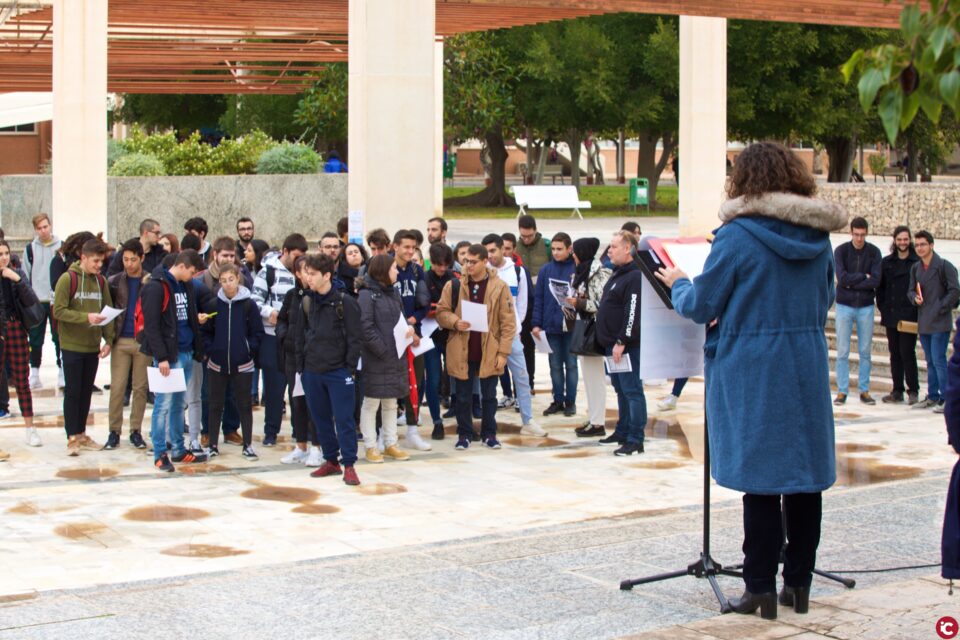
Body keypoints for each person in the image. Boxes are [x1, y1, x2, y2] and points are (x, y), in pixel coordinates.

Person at [656, 141, 845, 619]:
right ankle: (798, 586)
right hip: (804, 361)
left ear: (745, 183)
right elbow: (826, 298)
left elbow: (701, 304)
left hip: (754, 366)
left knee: (761, 482)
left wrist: (678, 280)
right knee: (803, 481)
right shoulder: (818, 237)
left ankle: (759, 587)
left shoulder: (738, 236)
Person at [437, 243, 516, 451]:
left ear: (484, 262)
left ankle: (489, 433)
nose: (468, 265)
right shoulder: (454, 285)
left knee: (489, 396)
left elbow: (508, 324)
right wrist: (455, 321)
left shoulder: (500, 287)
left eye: (473, 262)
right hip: (462, 348)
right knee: (462, 397)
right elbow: (441, 312)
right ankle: (464, 434)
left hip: (488, 350)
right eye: (466, 261)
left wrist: (503, 352)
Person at [295, 253, 362, 486]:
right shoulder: (307, 300)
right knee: (320, 418)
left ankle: (350, 464)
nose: (308, 278)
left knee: (344, 419)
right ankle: (331, 460)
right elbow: (301, 334)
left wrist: (349, 370)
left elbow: (356, 339)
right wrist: (302, 367)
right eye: (307, 273)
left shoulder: (346, 302)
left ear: (327, 275)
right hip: (312, 371)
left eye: (312, 274)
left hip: (338, 372)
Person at [140, 249, 209, 472]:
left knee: (181, 403)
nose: (193, 276)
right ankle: (160, 453)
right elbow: (151, 326)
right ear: (181, 266)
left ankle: (179, 449)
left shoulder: (186, 285)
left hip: (187, 351)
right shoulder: (156, 286)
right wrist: (161, 357)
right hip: (169, 356)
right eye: (191, 271)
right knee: (163, 405)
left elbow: (187, 315)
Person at [52, 238, 115, 456]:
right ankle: (72, 437)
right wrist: (85, 317)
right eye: (96, 261)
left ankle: (81, 433)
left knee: (86, 392)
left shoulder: (101, 282)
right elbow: (58, 311)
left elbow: (107, 311)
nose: (99, 265)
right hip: (71, 345)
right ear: (83, 258)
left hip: (92, 346)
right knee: (73, 391)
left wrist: (109, 340)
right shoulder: (66, 279)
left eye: (102, 261)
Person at [482, 233, 546, 437]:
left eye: (493, 250)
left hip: (512, 335)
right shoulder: (483, 272)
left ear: (503, 249)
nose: (490, 255)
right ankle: (487, 423)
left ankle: (528, 420)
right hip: (489, 336)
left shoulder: (517, 272)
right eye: (487, 252)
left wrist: (515, 328)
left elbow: (522, 304)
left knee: (522, 377)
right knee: (487, 380)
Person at [358, 254, 418, 463]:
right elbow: (365, 328)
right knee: (371, 403)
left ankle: (390, 443)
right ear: (383, 271)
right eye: (394, 268)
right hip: (377, 358)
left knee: (391, 402)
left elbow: (400, 319)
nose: (398, 271)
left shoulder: (393, 293)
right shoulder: (366, 295)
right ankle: (370, 446)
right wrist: (382, 350)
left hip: (396, 356)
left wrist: (409, 330)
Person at [201, 262, 263, 459]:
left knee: (244, 404)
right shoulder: (213, 305)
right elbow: (206, 332)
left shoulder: (248, 305)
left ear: (238, 279)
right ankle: (212, 444)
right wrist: (212, 350)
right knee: (215, 404)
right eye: (223, 281)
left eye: (231, 279)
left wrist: (248, 350)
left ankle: (248, 444)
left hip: (242, 364)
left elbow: (257, 332)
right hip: (217, 364)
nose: (227, 284)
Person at [252, 233, 309, 446]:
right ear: (285, 252)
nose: (298, 260)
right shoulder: (267, 272)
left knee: (297, 387)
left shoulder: (304, 273)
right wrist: (269, 312)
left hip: (297, 338)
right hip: (271, 337)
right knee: (274, 388)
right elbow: (254, 300)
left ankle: (299, 432)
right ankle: (271, 432)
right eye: (295, 256)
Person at [594, 231, 646, 455]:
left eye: (614, 246)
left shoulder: (634, 276)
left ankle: (636, 438)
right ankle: (623, 430)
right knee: (621, 389)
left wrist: (622, 340)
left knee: (632, 390)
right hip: (612, 344)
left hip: (624, 346)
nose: (609, 250)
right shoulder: (618, 274)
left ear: (628, 249)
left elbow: (632, 311)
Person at [105, 239, 151, 450]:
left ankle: (135, 430)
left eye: (133, 259)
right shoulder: (114, 281)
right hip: (121, 339)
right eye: (125, 259)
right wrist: (107, 339)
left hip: (142, 340)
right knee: (117, 386)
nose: (129, 264)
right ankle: (114, 430)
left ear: (142, 258)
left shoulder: (151, 281)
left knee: (140, 387)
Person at [277, 256, 322, 466]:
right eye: (306, 270)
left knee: (316, 405)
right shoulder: (292, 295)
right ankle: (301, 445)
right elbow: (282, 320)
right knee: (297, 403)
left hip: (313, 357)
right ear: (297, 273)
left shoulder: (319, 297)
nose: (309, 275)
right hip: (293, 357)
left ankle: (317, 447)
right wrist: (285, 336)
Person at [908, 230, 960, 412]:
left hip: (940, 321)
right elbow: (910, 291)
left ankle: (947, 398)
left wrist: (940, 306)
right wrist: (915, 298)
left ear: (931, 245)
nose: (920, 248)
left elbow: (955, 291)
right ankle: (932, 395)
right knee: (929, 360)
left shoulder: (944, 266)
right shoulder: (915, 268)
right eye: (918, 245)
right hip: (924, 321)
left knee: (939, 360)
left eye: (923, 244)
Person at [565, 238, 611, 439]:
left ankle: (598, 421)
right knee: (589, 378)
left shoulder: (600, 274)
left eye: (574, 251)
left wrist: (581, 304)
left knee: (596, 379)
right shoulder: (581, 272)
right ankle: (593, 417)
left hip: (593, 330)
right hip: (582, 328)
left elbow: (602, 305)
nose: (572, 254)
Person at [833, 216, 881, 405]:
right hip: (844, 305)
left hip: (866, 307)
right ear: (851, 233)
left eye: (862, 235)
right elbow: (842, 278)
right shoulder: (842, 251)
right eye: (856, 234)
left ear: (866, 233)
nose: (859, 238)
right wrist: (862, 276)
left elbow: (876, 280)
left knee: (865, 351)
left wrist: (854, 284)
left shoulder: (874, 253)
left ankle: (864, 389)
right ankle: (842, 390)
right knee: (842, 351)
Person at [392, 229, 432, 451]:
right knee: (387, 385)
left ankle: (412, 430)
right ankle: (384, 434)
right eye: (405, 246)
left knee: (415, 383)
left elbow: (425, 302)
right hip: (391, 335)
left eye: (413, 247)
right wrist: (403, 324)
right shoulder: (385, 268)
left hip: (414, 335)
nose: (409, 251)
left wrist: (415, 318)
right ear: (395, 246)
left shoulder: (417, 271)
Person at [0, 240, 42, 447]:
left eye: (6, 253)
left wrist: (16, 279)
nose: (4, 258)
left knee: (22, 381)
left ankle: (30, 428)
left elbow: (31, 299)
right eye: (0, 254)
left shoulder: (16, 274)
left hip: (15, 329)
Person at [532, 232, 578, 417]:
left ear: (569, 249)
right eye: (553, 249)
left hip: (571, 326)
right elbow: (539, 299)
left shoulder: (576, 268)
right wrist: (536, 323)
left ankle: (570, 401)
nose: (556, 253)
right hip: (551, 326)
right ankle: (557, 399)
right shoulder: (546, 270)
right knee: (555, 365)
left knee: (571, 365)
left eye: (560, 249)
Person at [876, 226, 920, 405]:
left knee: (908, 352)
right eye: (899, 239)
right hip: (892, 313)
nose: (903, 242)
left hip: (909, 314)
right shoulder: (887, 262)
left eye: (906, 239)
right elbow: (881, 288)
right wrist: (884, 308)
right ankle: (897, 390)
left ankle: (913, 390)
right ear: (894, 240)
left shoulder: (916, 262)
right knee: (894, 353)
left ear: (910, 240)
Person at [23, 213, 62, 390]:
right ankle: (35, 373)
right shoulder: (30, 249)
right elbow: (25, 274)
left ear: (50, 225)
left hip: (55, 299)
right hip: (37, 300)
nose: (43, 230)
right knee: (35, 338)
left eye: (45, 226)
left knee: (58, 337)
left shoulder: (61, 246)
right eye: (39, 228)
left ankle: (62, 372)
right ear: (35, 229)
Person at [424, 242, 455, 438]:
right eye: (438, 264)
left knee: (457, 376)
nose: (442, 268)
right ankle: (436, 420)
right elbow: (423, 306)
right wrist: (440, 309)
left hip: (451, 335)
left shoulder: (454, 278)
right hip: (432, 335)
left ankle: (461, 415)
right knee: (433, 379)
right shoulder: (425, 278)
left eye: (446, 264)